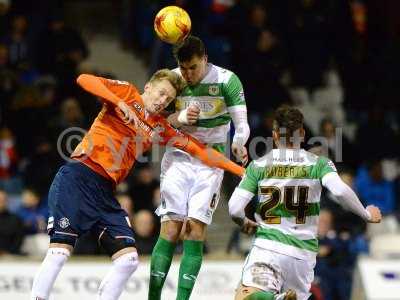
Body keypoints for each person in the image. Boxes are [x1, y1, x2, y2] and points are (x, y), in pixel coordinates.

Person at [30, 69, 245, 300]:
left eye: (169, 99)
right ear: (149, 87)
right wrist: (118, 102)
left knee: (128, 260)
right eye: (161, 93)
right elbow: (84, 79)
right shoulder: (127, 93)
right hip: (79, 176)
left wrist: (241, 171)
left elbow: (201, 151)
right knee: (60, 251)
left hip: (104, 191)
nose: (162, 101)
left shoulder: (158, 127)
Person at [228, 106, 382, 300]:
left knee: (244, 296)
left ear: (275, 135)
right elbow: (340, 191)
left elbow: (234, 208)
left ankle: (275, 298)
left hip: (268, 248)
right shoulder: (319, 164)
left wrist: (243, 222)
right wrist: (366, 214)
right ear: (301, 133)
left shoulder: (258, 166)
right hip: (302, 255)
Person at [149, 35, 250, 300]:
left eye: (193, 67)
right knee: (171, 227)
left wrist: (239, 143)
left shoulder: (227, 80)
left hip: (210, 162)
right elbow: (153, 120)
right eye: (183, 68)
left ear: (204, 59)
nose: (188, 74)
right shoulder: (172, 80)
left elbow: (242, 124)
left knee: (195, 227)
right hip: (179, 157)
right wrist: (178, 118)